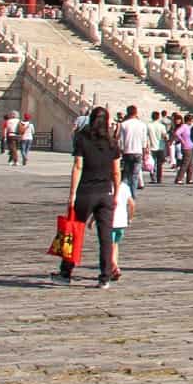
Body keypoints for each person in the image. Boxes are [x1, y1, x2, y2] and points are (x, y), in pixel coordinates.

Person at [53, 106, 120, 288]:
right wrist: (116, 194)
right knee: (105, 236)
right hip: (106, 192)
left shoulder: (83, 139)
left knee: (74, 232)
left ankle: (66, 272)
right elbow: (116, 171)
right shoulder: (112, 142)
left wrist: (72, 194)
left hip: (86, 192)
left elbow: (78, 166)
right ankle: (105, 277)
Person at [108, 170, 136, 280]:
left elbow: (103, 205)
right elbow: (132, 204)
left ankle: (114, 267)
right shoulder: (125, 187)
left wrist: (92, 220)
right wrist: (130, 218)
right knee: (115, 245)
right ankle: (114, 265)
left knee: (108, 246)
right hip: (122, 222)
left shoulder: (108, 187)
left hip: (110, 222)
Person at [116, 105, 147, 196]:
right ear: (136, 112)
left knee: (125, 175)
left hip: (127, 152)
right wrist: (144, 152)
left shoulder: (124, 124)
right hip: (138, 152)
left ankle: (124, 195)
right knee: (135, 175)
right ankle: (133, 195)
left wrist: (121, 151)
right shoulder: (142, 125)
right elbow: (144, 141)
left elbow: (120, 140)